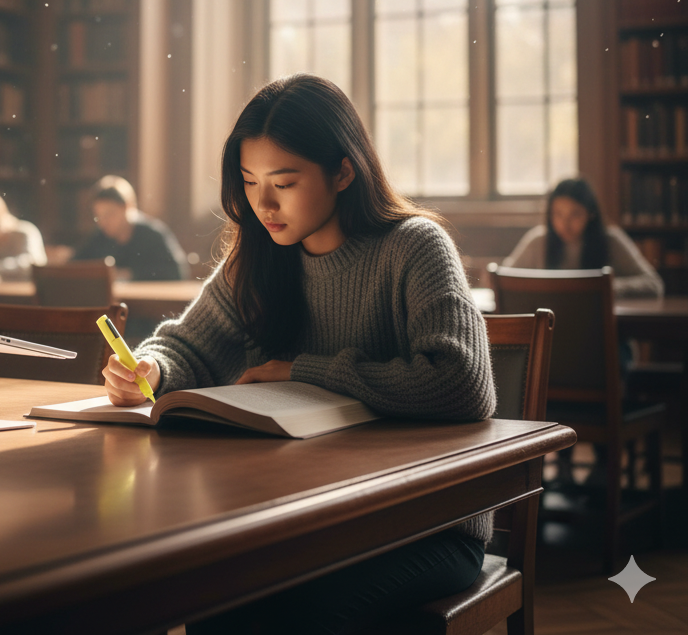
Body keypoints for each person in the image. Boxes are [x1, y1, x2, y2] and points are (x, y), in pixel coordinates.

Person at [103, 74, 495, 633]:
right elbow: (187, 342)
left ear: (342, 170)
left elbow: (460, 382)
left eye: (284, 182)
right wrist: (151, 366)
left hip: (427, 524)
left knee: (292, 616)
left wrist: (302, 372)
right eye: (250, 181)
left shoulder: (414, 246)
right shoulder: (259, 257)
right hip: (310, 517)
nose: (263, 203)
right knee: (209, 602)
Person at [504, 177, 663, 299]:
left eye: (575, 215)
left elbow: (653, 284)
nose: (565, 224)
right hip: (552, 335)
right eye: (558, 214)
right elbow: (503, 279)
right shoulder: (538, 240)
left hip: (601, 333)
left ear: (591, 214)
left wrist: (603, 287)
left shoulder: (610, 240)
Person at [71, 175, 189, 281]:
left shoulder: (153, 235)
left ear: (128, 207)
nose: (103, 222)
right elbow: (75, 265)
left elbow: (177, 272)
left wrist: (130, 274)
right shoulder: (99, 236)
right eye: (98, 216)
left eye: (109, 214)